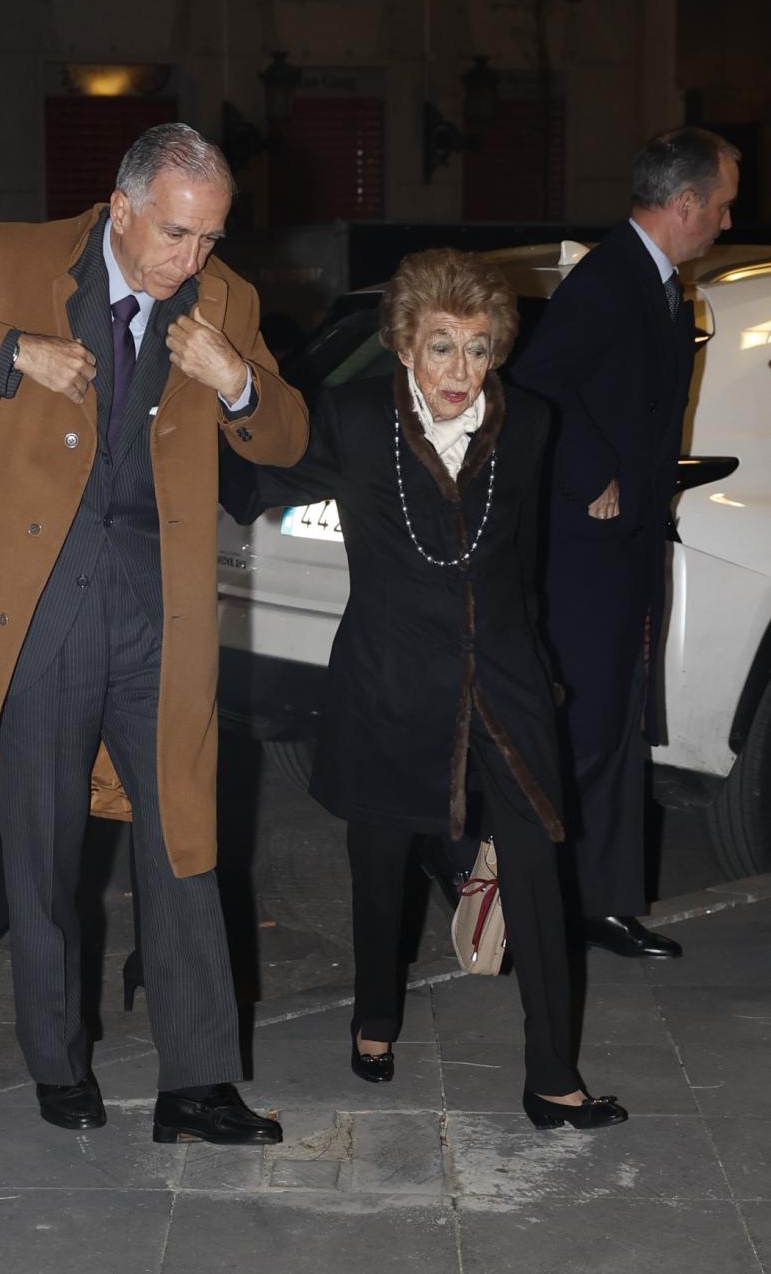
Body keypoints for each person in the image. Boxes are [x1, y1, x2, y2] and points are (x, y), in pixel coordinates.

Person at [0, 123, 308, 1142]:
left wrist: (234, 378)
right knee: (45, 855)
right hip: (39, 606)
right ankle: (59, 1063)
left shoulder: (222, 299)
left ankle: (199, 1084)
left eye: (210, 237)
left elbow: (286, 430)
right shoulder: (13, 257)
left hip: (165, 611)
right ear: (122, 207)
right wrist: (10, 353)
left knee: (185, 843)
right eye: (177, 234)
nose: (192, 260)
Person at [224, 248, 627, 1132]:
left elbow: (522, 562)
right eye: (441, 346)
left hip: (506, 679)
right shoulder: (354, 417)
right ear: (405, 345)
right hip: (389, 679)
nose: (461, 371)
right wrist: (226, 397)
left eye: (479, 348)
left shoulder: (528, 423)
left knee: (537, 864)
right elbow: (252, 479)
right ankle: (376, 1015)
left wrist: (541, 672)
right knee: (379, 866)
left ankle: (552, 1076)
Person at [511, 127, 740, 960]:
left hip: (633, 541)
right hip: (586, 551)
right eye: (719, 206)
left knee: (616, 725)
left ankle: (603, 901)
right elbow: (534, 387)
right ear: (683, 204)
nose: (723, 220)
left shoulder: (662, 283)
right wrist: (591, 476)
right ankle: (543, 902)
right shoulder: (608, 280)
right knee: (583, 726)